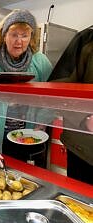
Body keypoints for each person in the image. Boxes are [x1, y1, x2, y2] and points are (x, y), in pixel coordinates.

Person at [0, 9, 52, 167]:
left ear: (31, 38)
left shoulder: (41, 63)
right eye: (14, 35)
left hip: (32, 136)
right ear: (4, 36)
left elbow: (52, 97)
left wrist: (42, 121)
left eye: (24, 35)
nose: (19, 41)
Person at [49, 26, 93, 184]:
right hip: (85, 151)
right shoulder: (86, 40)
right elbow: (57, 88)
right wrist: (85, 117)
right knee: (80, 203)